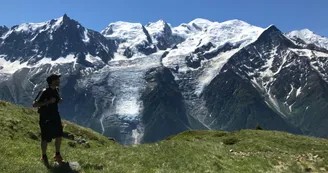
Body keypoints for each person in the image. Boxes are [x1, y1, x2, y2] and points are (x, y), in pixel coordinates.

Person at [32, 74, 64, 165]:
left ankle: (57, 154)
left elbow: (56, 100)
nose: (58, 81)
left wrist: (59, 100)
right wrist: (48, 102)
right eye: (56, 79)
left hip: (55, 116)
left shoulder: (56, 90)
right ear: (52, 81)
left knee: (59, 135)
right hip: (45, 117)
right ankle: (44, 155)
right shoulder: (44, 91)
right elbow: (34, 104)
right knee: (45, 137)